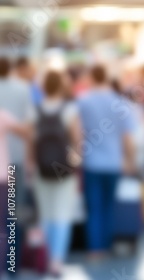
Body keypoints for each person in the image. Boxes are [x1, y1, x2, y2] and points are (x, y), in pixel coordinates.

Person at [77, 65, 135, 260]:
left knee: (94, 207)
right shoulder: (120, 102)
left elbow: (76, 132)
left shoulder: (83, 101)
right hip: (114, 162)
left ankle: (95, 248)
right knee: (109, 205)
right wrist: (130, 160)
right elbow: (128, 137)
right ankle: (107, 244)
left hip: (91, 161)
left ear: (92, 77)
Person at [31, 71, 81, 277]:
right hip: (63, 168)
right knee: (62, 214)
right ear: (61, 86)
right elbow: (78, 140)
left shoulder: (35, 110)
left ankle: (43, 255)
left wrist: (30, 164)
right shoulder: (69, 109)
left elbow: (31, 141)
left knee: (45, 214)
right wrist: (75, 164)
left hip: (41, 168)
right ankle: (56, 261)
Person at [0, 56, 34, 270]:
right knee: (13, 212)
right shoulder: (23, 89)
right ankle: (12, 262)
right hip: (14, 162)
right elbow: (29, 127)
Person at [0, 110, 30, 280]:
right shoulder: (2, 115)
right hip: (5, 176)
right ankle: (5, 270)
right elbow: (26, 132)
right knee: (5, 226)